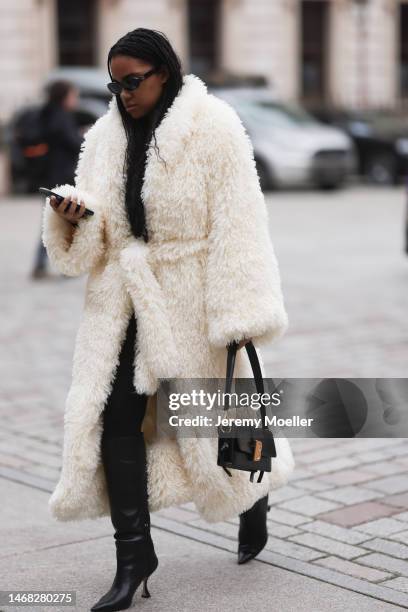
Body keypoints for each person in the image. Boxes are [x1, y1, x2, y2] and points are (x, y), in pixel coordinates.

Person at [42, 28, 295, 612]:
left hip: (193, 297)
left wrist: (240, 313)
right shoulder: (105, 135)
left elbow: (242, 224)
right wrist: (74, 216)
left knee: (214, 423)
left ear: (166, 72)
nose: (123, 94)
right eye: (115, 83)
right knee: (116, 420)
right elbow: (92, 246)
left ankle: (253, 496)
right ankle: (134, 557)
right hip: (123, 301)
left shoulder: (215, 126)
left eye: (133, 81)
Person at [31, 80, 83, 279]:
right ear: (64, 97)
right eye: (73, 95)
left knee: (54, 223)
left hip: (47, 177)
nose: (75, 99)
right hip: (61, 179)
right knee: (62, 223)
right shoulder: (61, 118)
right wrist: (82, 136)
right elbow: (74, 143)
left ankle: (43, 265)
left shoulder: (46, 114)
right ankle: (62, 267)